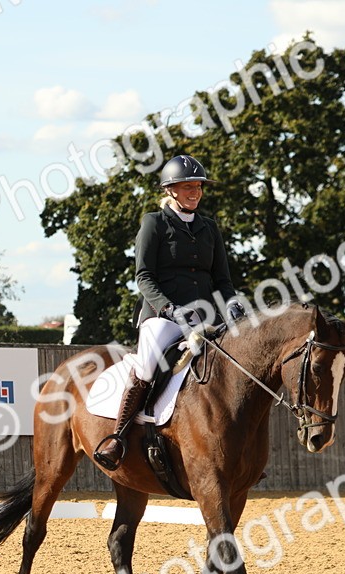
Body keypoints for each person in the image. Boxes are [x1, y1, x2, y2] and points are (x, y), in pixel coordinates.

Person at [93, 155, 247, 470]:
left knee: (235, 364)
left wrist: (232, 304)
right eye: (187, 187)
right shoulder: (154, 223)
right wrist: (168, 309)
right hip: (162, 315)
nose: (195, 192)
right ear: (171, 190)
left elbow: (222, 280)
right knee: (148, 366)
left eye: (198, 187)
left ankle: (240, 449)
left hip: (205, 317)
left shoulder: (209, 228)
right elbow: (143, 276)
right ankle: (118, 437)